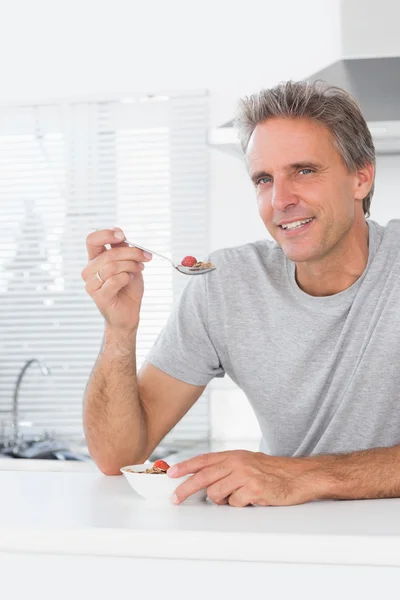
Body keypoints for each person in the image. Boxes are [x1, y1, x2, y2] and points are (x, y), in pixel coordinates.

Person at [82, 80, 400, 507]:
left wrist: (305, 475)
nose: (280, 199)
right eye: (264, 179)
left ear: (361, 177)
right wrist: (119, 330)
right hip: (286, 544)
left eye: (304, 171)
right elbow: (116, 456)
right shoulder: (226, 285)